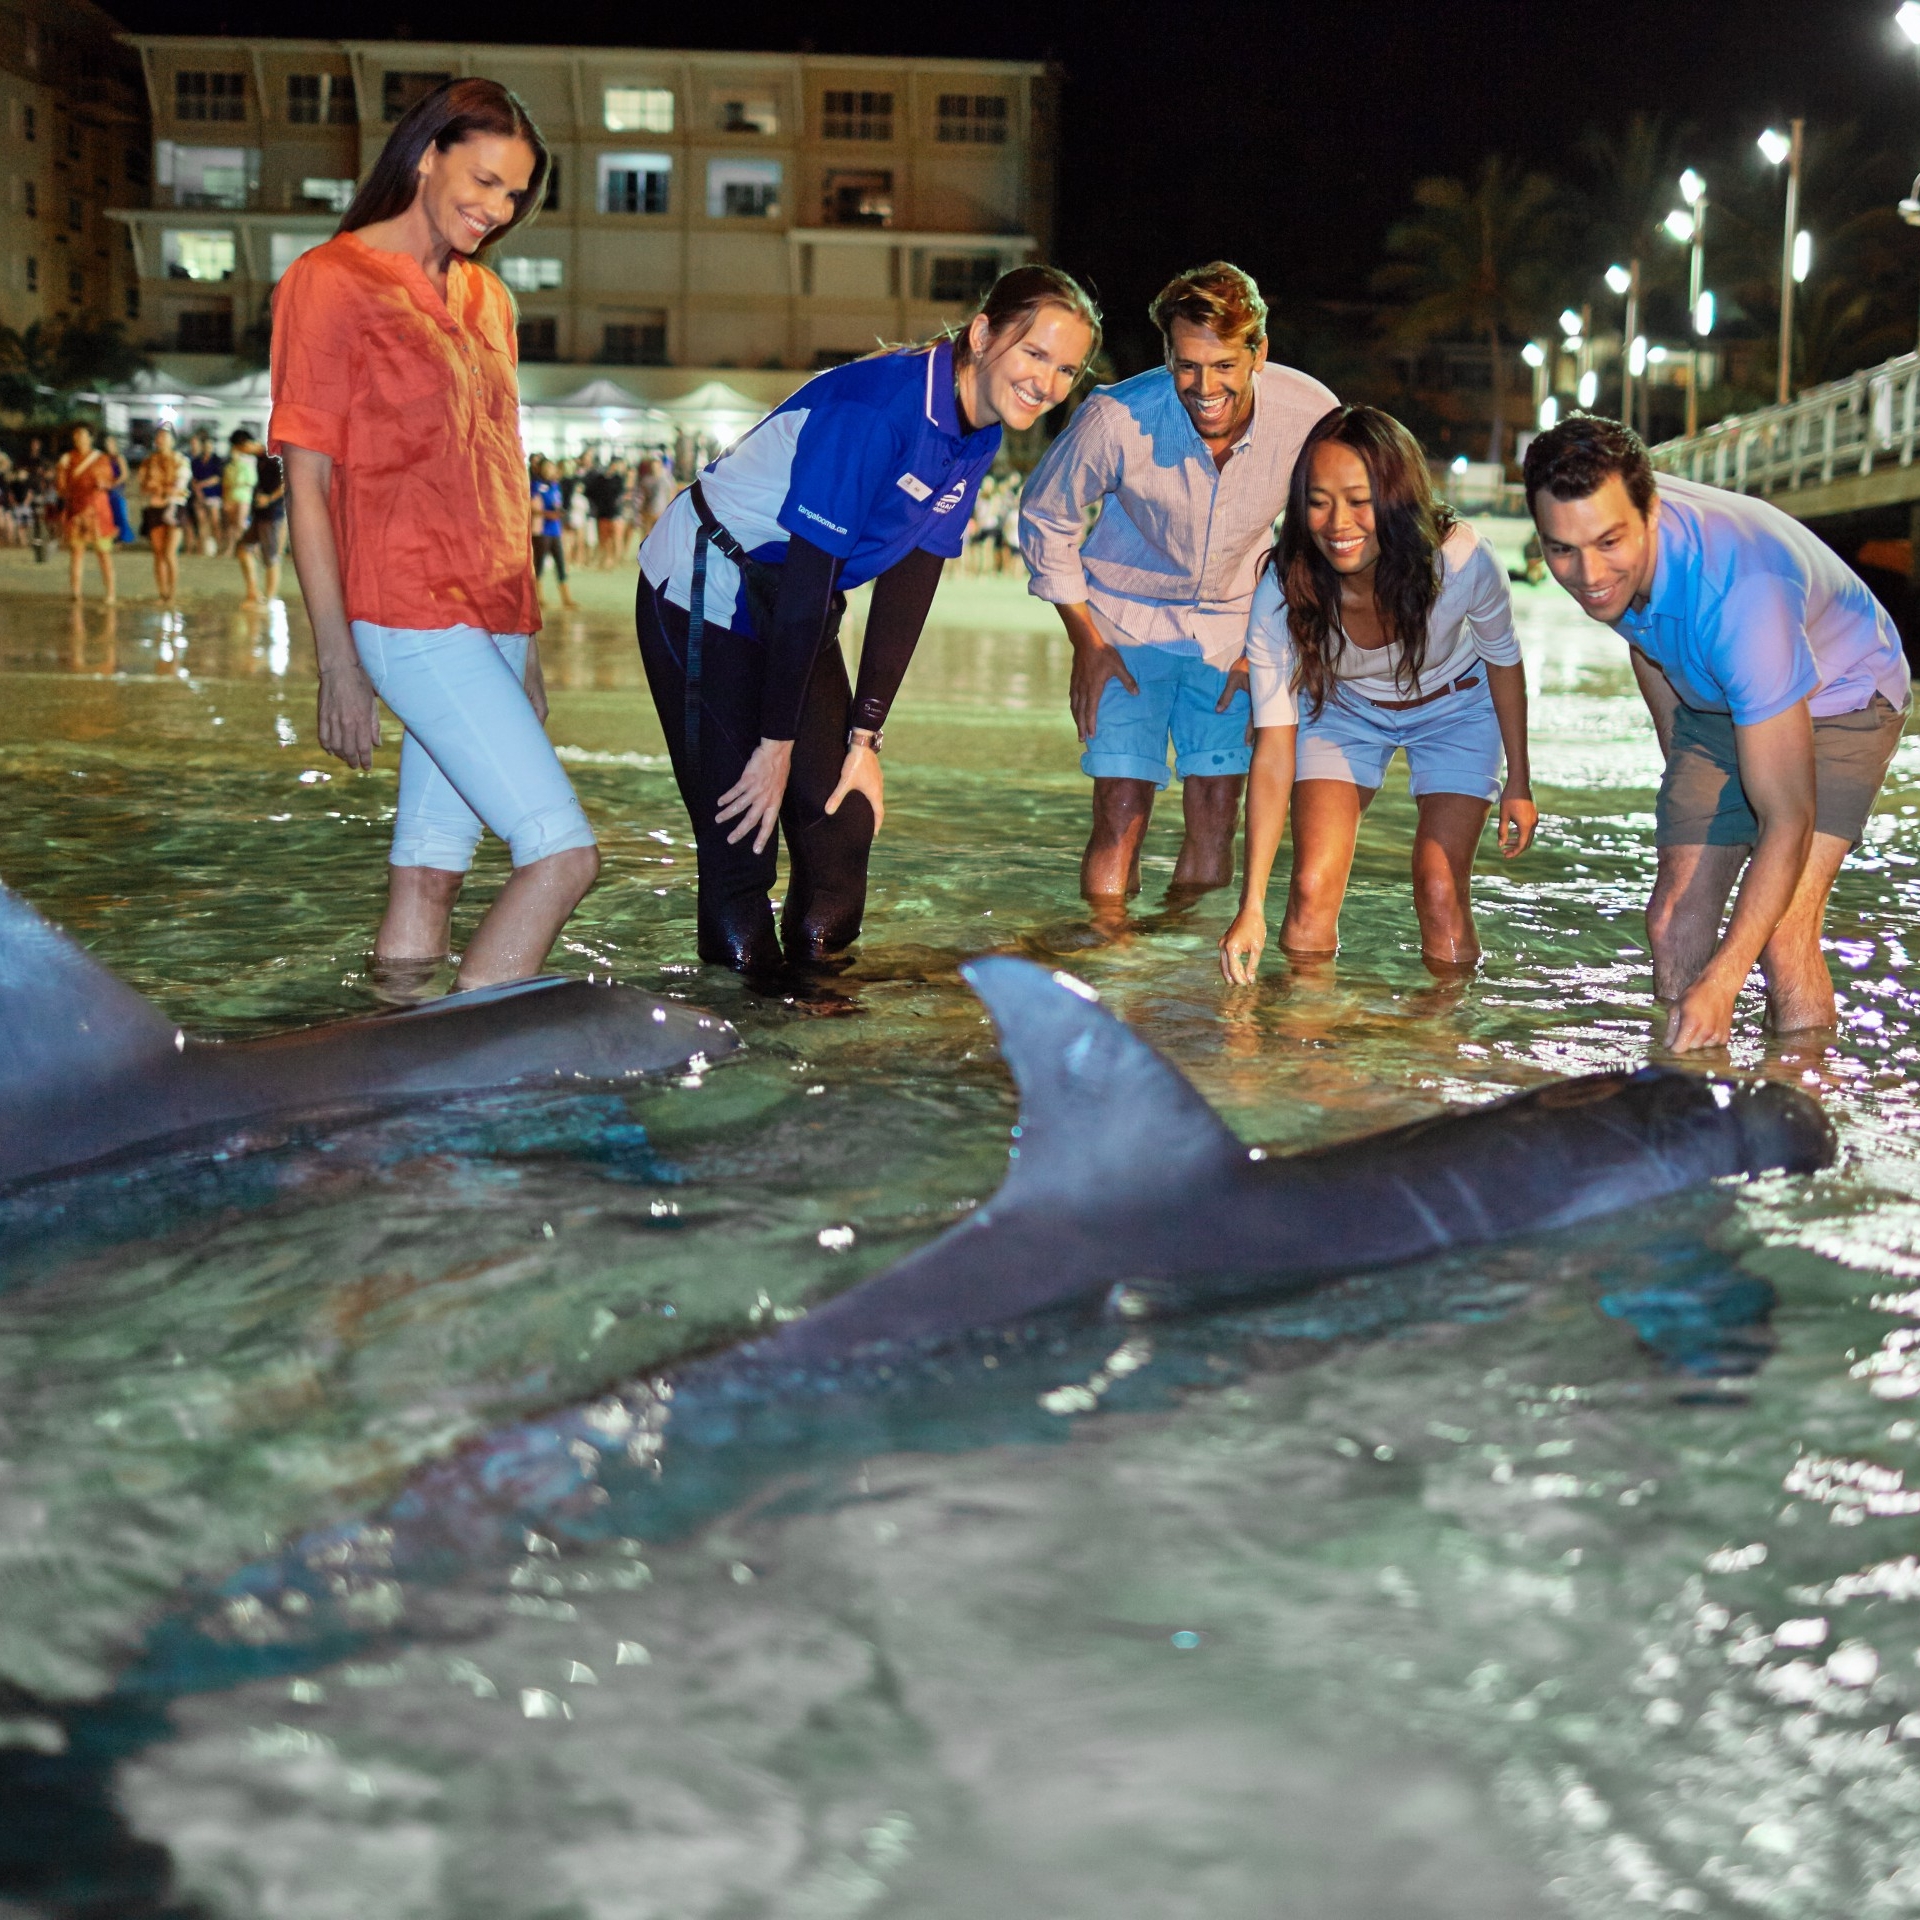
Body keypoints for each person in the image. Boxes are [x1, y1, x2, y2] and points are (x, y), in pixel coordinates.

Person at [636, 264, 1101, 973]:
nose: (1047, 383)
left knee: (843, 827)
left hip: (799, 604)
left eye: (1067, 369)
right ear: (983, 335)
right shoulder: (879, 408)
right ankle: (742, 1023)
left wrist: (865, 735)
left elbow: (914, 576)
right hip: (708, 585)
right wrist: (776, 744)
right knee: (742, 841)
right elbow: (808, 574)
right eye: (1035, 353)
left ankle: (822, 1007)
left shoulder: (978, 429)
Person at [272, 76, 600, 993]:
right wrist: (338, 663)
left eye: (513, 194)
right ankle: (480, 1056)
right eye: (484, 180)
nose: (497, 209)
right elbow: (308, 487)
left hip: (494, 611)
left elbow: (499, 470)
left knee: (430, 872)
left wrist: (527, 641)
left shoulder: (490, 299)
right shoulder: (328, 281)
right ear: (426, 157)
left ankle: (400, 1050)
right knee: (562, 857)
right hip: (406, 611)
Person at [1526, 414, 1911, 1051]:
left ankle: (1802, 1091)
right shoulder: (1597, 531)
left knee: (1782, 934)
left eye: (1608, 543)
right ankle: (1687, 1085)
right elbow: (1647, 641)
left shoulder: (1741, 595)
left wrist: (1724, 981)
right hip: (1721, 693)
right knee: (1673, 919)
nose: (1588, 574)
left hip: (1844, 691)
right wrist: (1686, 776)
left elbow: (1787, 819)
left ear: (1651, 512)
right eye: (1562, 549)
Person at [1019, 262, 1337, 913]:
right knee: (1121, 808)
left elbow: (1331, 535)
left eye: (1224, 365)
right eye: (1187, 365)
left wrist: (1273, 645)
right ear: (1167, 354)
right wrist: (1085, 641)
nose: (1204, 386)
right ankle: (1106, 953)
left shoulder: (1311, 415)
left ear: (1259, 353)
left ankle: (1181, 961)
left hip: (1237, 628)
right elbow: (1046, 514)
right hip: (1122, 622)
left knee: (1218, 810)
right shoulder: (1115, 417)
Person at [1220, 405, 1536, 984]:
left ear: (1397, 496)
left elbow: (1503, 659)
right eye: (1319, 502)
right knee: (1310, 886)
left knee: (1439, 887)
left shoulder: (1461, 560)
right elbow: (1273, 752)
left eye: (1359, 500)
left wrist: (1519, 778)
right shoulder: (1283, 588)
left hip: (1458, 708)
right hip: (1345, 710)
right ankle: (1305, 1030)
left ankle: (1442, 1029)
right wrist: (1252, 905)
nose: (1337, 524)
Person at [53, 424, 117, 604]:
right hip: (76, 511)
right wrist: (60, 470)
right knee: (76, 553)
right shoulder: (68, 459)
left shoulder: (101, 459)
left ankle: (110, 593)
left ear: (90, 438)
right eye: (76, 436)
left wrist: (101, 482)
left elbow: (108, 480)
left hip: (98, 512)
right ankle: (76, 592)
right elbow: (61, 487)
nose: (79, 439)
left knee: (103, 553)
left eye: (82, 435)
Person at [137, 424, 190, 600]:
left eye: (165, 437)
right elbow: (143, 485)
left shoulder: (180, 460)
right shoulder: (149, 461)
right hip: (155, 507)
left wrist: (162, 488)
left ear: (173, 440)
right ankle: (162, 592)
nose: (161, 440)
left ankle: (172, 592)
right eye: (159, 437)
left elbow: (180, 486)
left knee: (170, 552)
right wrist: (158, 488)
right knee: (158, 552)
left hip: (175, 507)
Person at [235, 440, 286, 604]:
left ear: (249, 443)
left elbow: (287, 482)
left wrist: (269, 498)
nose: (243, 452)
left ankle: (270, 598)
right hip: (260, 513)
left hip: (272, 513)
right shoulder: (260, 458)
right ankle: (254, 592)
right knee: (244, 548)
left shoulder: (273, 456)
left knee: (271, 557)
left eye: (242, 448)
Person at [530, 455, 578, 609]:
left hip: (555, 529)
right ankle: (538, 597)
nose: (550, 470)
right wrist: (547, 514)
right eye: (547, 467)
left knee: (560, 563)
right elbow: (531, 507)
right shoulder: (535, 485)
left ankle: (566, 598)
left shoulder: (555, 485)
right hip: (541, 529)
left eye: (552, 467)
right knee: (539, 564)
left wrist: (559, 512)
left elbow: (557, 503)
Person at [221, 429, 258, 554]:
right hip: (231, 497)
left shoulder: (248, 463)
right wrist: (225, 499)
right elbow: (225, 484)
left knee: (240, 523)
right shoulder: (229, 467)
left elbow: (252, 481)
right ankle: (232, 547)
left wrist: (238, 484)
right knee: (231, 525)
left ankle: (243, 547)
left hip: (244, 497)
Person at [187, 429, 222, 554]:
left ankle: (218, 546)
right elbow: (193, 478)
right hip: (199, 495)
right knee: (202, 521)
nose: (208, 448)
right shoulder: (196, 461)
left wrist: (201, 485)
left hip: (213, 495)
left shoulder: (217, 460)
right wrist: (198, 490)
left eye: (210, 446)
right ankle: (203, 547)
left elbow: (217, 478)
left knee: (215, 521)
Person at [101, 434, 135, 545]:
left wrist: (113, 484)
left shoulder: (119, 458)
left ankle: (120, 538)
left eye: (110, 443)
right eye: (106, 443)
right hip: (105, 490)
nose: (108, 445)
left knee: (119, 513)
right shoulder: (103, 458)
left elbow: (124, 474)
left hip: (117, 491)